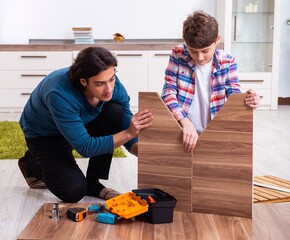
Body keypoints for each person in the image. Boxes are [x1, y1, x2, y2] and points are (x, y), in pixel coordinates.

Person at [18, 46, 153, 202]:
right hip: (45, 135)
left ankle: (93, 182)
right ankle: (32, 163)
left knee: (115, 111)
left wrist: (137, 148)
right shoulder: (58, 94)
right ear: (84, 81)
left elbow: (124, 118)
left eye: (112, 79)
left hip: (78, 123)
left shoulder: (107, 80)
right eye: (99, 84)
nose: (109, 89)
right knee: (73, 191)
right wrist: (129, 133)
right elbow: (85, 147)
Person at [161, 10, 260, 153]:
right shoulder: (178, 55)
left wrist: (248, 99)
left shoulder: (228, 62)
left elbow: (234, 96)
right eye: (193, 51)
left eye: (205, 51)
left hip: (214, 132)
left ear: (217, 40)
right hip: (183, 130)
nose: (199, 57)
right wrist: (185, 122)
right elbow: (168, 93)